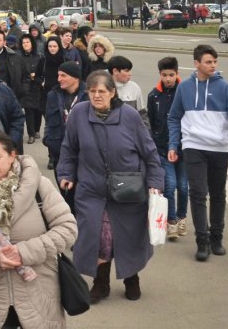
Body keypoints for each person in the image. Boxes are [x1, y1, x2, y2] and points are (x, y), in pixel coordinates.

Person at [0, 131, 78, 329]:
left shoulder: (39, 186)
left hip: (39, 293)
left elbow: (67, 228)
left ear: (12, 155)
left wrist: (23, 253)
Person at [57, 70, 164, 302]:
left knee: (126, 237)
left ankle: (131, 278)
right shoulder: (78, 114)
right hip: (92, 190)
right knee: (100, 237)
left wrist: (155, 183)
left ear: (112, 93)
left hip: (128, 190)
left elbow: (150, 153)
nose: (96, 96)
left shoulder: (130, 116)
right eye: (92, 91)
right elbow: (68, 149)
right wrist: (65, 173)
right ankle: (101, 283)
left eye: (102, 91)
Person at [167, 43, 228, 261]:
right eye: (208, 62)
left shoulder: (224, 87)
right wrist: (173, 145)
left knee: (218, 194)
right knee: (197, 193)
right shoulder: (184, 88)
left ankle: (217, 238)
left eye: (215, 62)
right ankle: (202, 241)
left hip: (219, 148)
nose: (213, 65)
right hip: (194, 147)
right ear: (196, 64)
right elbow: (174, 117)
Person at [147, 56, 188, 241]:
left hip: (184, 148)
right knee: (169, 186)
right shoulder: (154, 95)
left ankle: (181, 218)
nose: (168, 79)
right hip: (162, 148)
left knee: (183, 186)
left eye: (171, 75)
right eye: (164, 75)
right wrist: (153, 143)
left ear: (177, 73)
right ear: (160, 75)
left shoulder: (185, 91)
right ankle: (170, 222)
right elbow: (151, 122)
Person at [43, 60, 87, 182]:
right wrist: (48, 140)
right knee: (64, 193)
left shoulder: (88, 95)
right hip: (59, 152)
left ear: (75, 78)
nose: (59, 79)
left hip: (82, 153)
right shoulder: (53, 95)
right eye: (58, 75)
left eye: (63, 75)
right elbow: (49, 120)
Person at [14, 34, 45, 144]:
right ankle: (31, 134)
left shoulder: (39, 56)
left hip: (37, 86)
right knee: (29, 110)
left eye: (27, 42)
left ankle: (37, 130)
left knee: (38, 110)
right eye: (23, 43)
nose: (26, 44)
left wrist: (37, 78)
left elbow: (42, 72)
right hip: (26, 87)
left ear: (32, 43)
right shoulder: (19, 57)